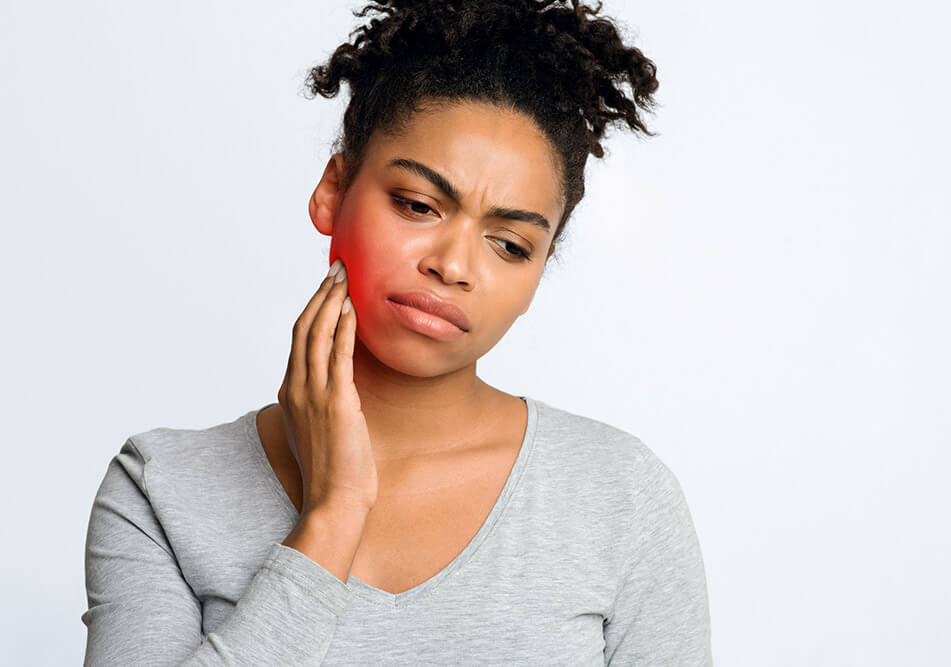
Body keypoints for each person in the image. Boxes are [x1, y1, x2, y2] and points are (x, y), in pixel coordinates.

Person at [81, 0, 712, 664]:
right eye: (418, 205)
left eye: (510, 245)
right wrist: (332, 516)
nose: (454, 265)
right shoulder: (164, 487)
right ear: (334, 188)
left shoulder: (619, 495)